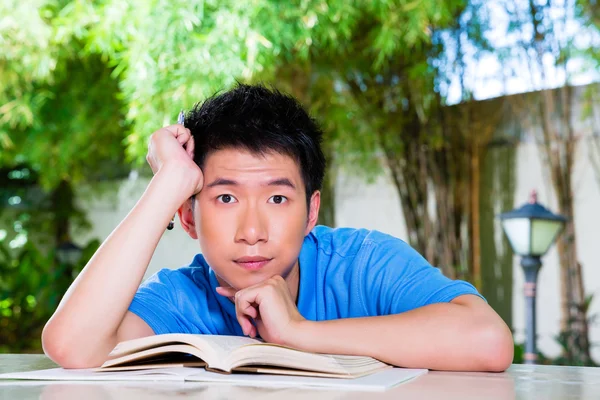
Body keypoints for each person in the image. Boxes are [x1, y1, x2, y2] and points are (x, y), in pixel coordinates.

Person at [42, 84, 514, 371]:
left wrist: (298, 332)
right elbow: (72, 345)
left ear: (311, 212)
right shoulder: (183, 297)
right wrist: (169, 183)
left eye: (277, 198)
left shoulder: (364, 261)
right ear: (188, 217)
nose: (253, 231)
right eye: (225, 198)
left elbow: (488, 342)